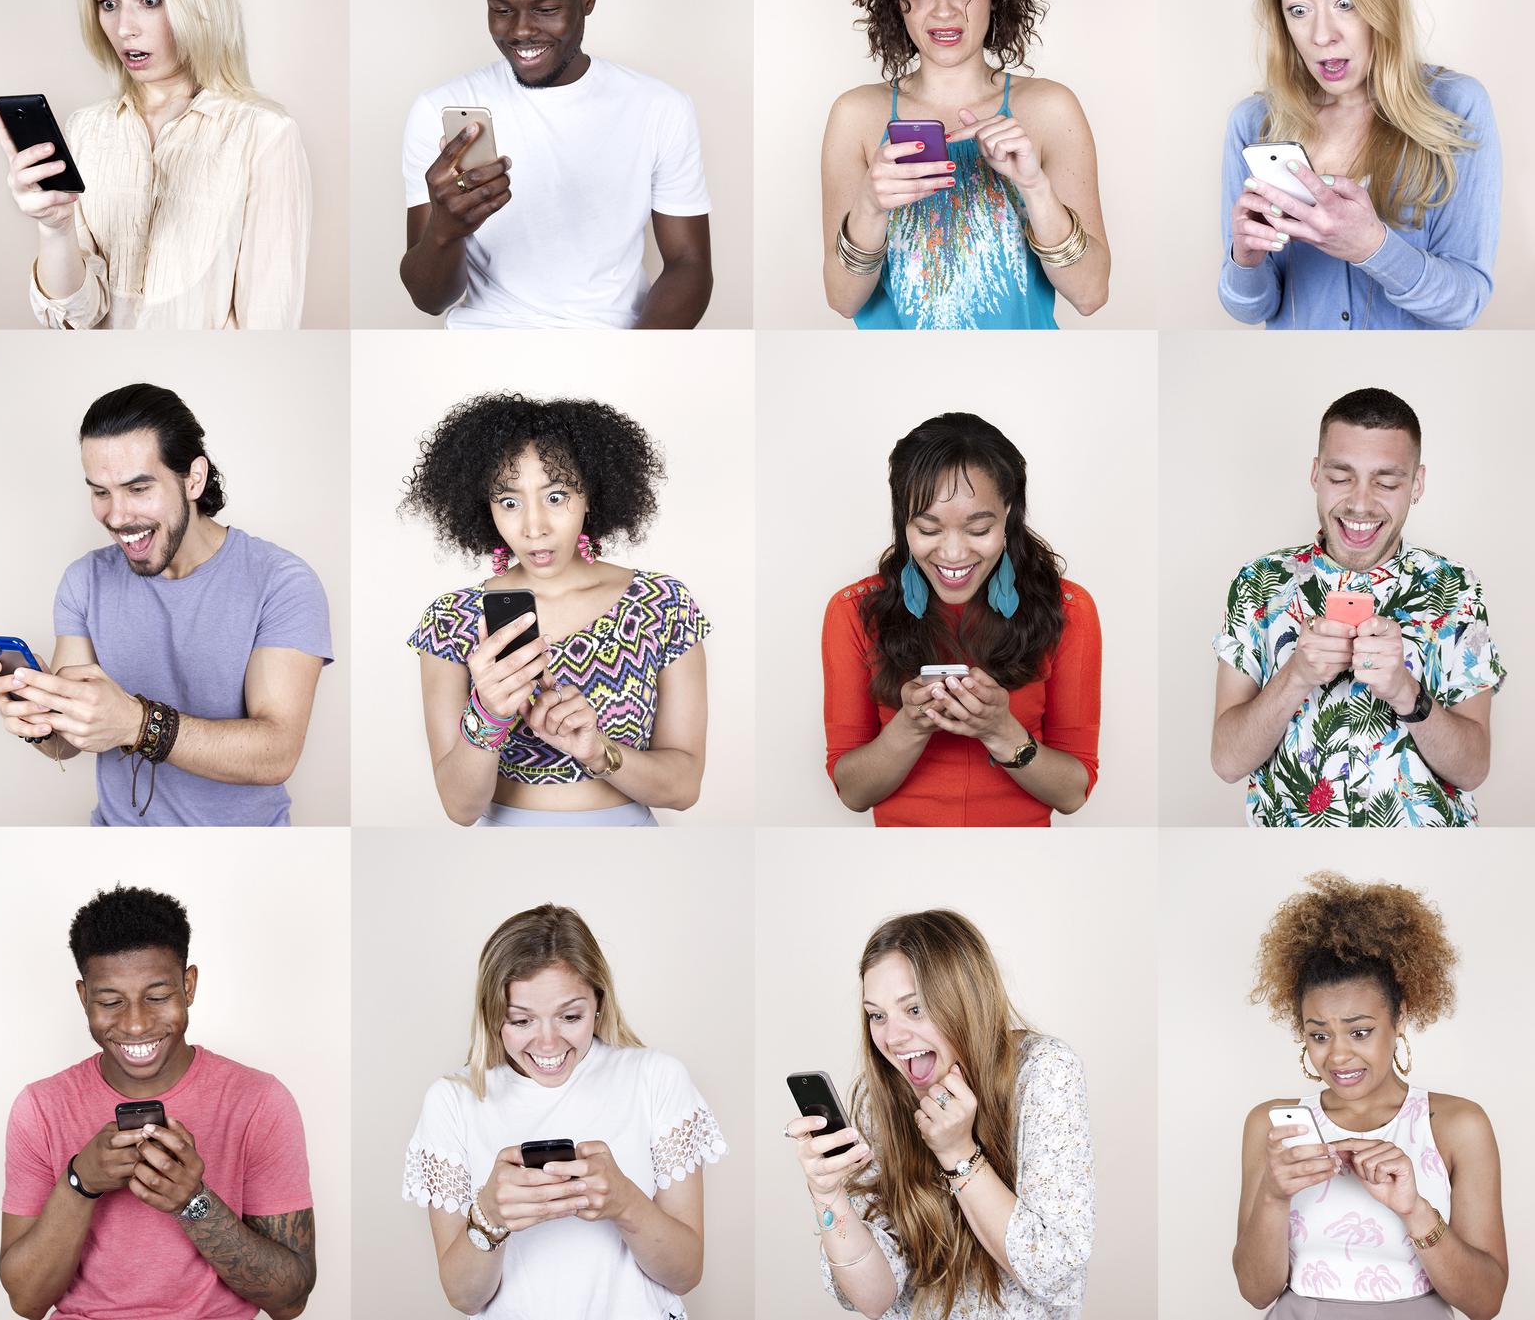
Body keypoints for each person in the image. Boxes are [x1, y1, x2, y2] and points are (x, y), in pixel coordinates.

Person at [0, 383, 332, 827]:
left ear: (193, 479)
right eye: (100, 492)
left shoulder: (282, 582)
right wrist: (40, 719)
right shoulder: (84, 581)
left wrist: (137, 724)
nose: (117, 515)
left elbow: (277, 752)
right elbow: (67, 743)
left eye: (138, 488)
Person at [0, 886, 318, 1317]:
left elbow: (291, 1300)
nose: (135, 1024)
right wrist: (81, 1182)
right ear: (83, 998)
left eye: (157, 997)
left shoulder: (259, 1101)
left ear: (188, 986)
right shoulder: (40, 1107)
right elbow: (26, 1301)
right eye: (110, 1002)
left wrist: (193, 1203)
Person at [0, 0, 313, 329]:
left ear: (197, 0)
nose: (125, 27)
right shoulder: (86, 130)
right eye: (107, 4)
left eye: (150, 0)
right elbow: (76, 317)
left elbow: (269, 324)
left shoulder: (264, 135)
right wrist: (55, 227)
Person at [402, 394, 709, 827]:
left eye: (557, 496)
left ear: (591, 495)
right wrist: (488, 716)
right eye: (510, 502)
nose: (533, 526)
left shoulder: (661, 603)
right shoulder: (451, 620)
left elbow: (683, 790)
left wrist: (598, 750)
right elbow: (460, 808)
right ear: (484, 507)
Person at [403, 903, 722, 1316]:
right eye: (521, 1021)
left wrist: (625, 1203)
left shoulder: (656, 1078)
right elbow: (464, 1298)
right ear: (492, 1016)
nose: (548, 1043)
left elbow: (685, 1274)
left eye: (570, 1016)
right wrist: (489, 1216)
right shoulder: (452, 1101)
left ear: (599, 1003)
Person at [401, 0, 712, 329]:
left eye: (545, 9)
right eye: (502, 9)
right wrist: (445, 229)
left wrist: (635, 359)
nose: (522, 31)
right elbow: (431, 299)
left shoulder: (660, 107)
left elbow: (688, 265)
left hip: (614, 343)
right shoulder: (439, 109)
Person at [1210, 387, 1499, 828]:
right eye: (1341, 477)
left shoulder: (1456, 587)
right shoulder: (1259, 583)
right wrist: (1296, 676)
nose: (1360, 503)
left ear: (1416, 484)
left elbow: (1474, 769)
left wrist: (1405, 691)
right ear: (1315, 474)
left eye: (1386, 482)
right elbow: (1227, 762)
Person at [819, 0, 1108, 329]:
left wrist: (1035, 187)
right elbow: (842, 300)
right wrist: (869, 208)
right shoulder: (854, 115)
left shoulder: (1051, 108)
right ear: (897, 4)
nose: (943, 9)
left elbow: (1090, 295)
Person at [788, 909, 1093, 1320]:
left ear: (964, 1001)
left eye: (914, 1010)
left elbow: (1053, 1267)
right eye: (877, 1015)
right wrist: (828, 1197)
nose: (892, 1038)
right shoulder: (882, 1101)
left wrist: (956, 1151)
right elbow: (874, 1297)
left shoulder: (1042, 1073)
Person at [1233, 876, 1510, 1317]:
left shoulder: (1456, 1124)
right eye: (1319, 1034)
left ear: (1399, 1017)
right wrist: (1273, 1195)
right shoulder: (1271, 1124)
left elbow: (1485, 1302)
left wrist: (1415, 1209)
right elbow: (1255, 1291)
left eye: (1360, 1031)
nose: (1339, 1054)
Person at [1220, 0, 1497, 331]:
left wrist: (1372, 246)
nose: (1322, 35)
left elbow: (1465, 303)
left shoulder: (1456, 107)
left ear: (1381, 1)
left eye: (1344, 2)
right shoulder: (1254, 124)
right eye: (1299, 9)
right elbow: (1249, 308)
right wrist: (1246, 258)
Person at [822, 414, 1099, 829]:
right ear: (904, 522)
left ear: (1009, 512)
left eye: (979, 528)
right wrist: (911, 725)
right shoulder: (853, 611)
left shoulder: (1069, 609)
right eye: (928, 529)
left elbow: (1073, 793)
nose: (953, 555)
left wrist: (1001, 730)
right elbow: (853, 794)